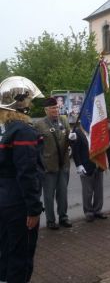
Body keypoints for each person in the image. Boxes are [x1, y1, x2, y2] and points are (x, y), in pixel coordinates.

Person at [0, 76, 44, 283]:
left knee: (5, 253)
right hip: (18, 203)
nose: (31, 104)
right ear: (21, 103)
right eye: (28, 100)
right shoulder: (23, 130)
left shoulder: (5, 131)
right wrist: (34, 209)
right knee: (21, 257)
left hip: (3, 200)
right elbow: (27, 173)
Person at [34, 97, 73, 230]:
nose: (55, 110)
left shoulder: (64, 120)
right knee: (49, 196)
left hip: (63, 164)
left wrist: (73, 137)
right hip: (48, 166)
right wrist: (41, 165)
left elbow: (68, 137)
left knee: (62, 193)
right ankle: (51, 220)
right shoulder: (39, 125)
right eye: (52, 108)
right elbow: (36, 148)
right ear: (46, 110)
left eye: (56, 107)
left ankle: (63, 217)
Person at [71, 127, 107, 222]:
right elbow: (75, 150)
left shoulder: (95, 128)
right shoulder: (77, 132)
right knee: (87, 191)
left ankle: (98, 210)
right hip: (86, 165)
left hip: (98, 163)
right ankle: (88, 212)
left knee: (99, 190)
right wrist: (79, 165)